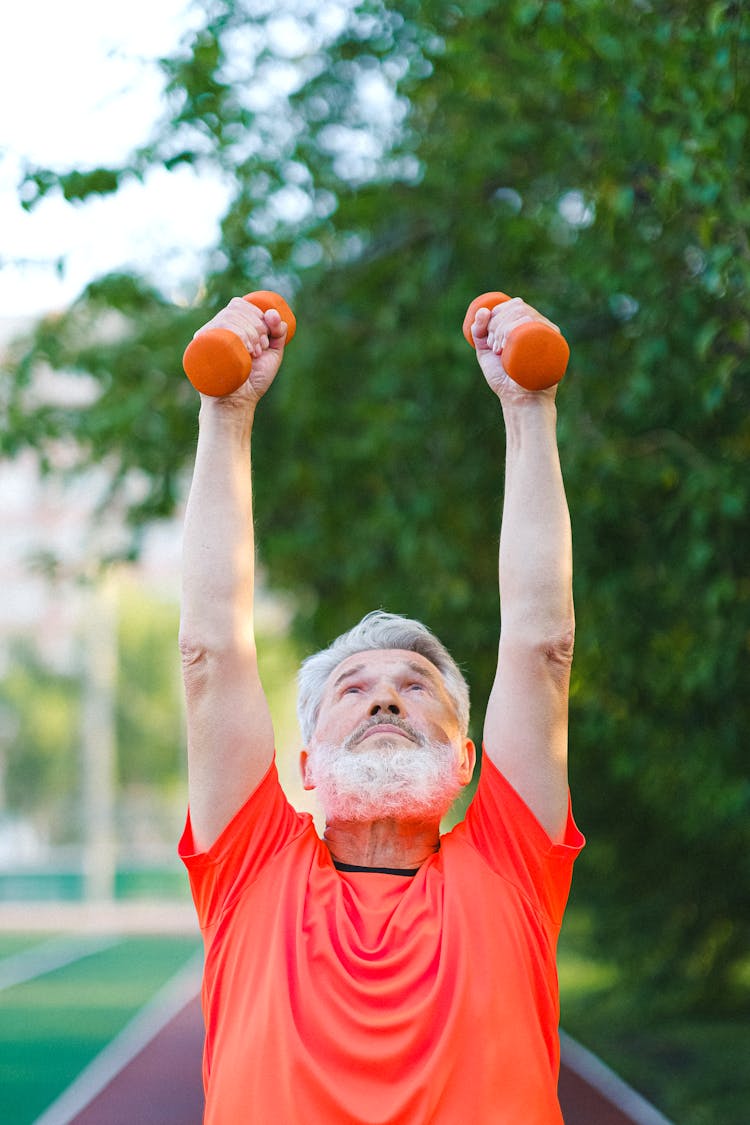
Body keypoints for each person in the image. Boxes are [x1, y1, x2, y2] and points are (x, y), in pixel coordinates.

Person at [178, 293, 584, 1125]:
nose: (387, 695)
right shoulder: (253, 867)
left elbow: (542, 644)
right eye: (352, 688)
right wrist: (226, 414)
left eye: (416, 684)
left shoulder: (510, 863)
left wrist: (529, 407)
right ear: (303, 764)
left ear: (468, 759)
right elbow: (211, 652)